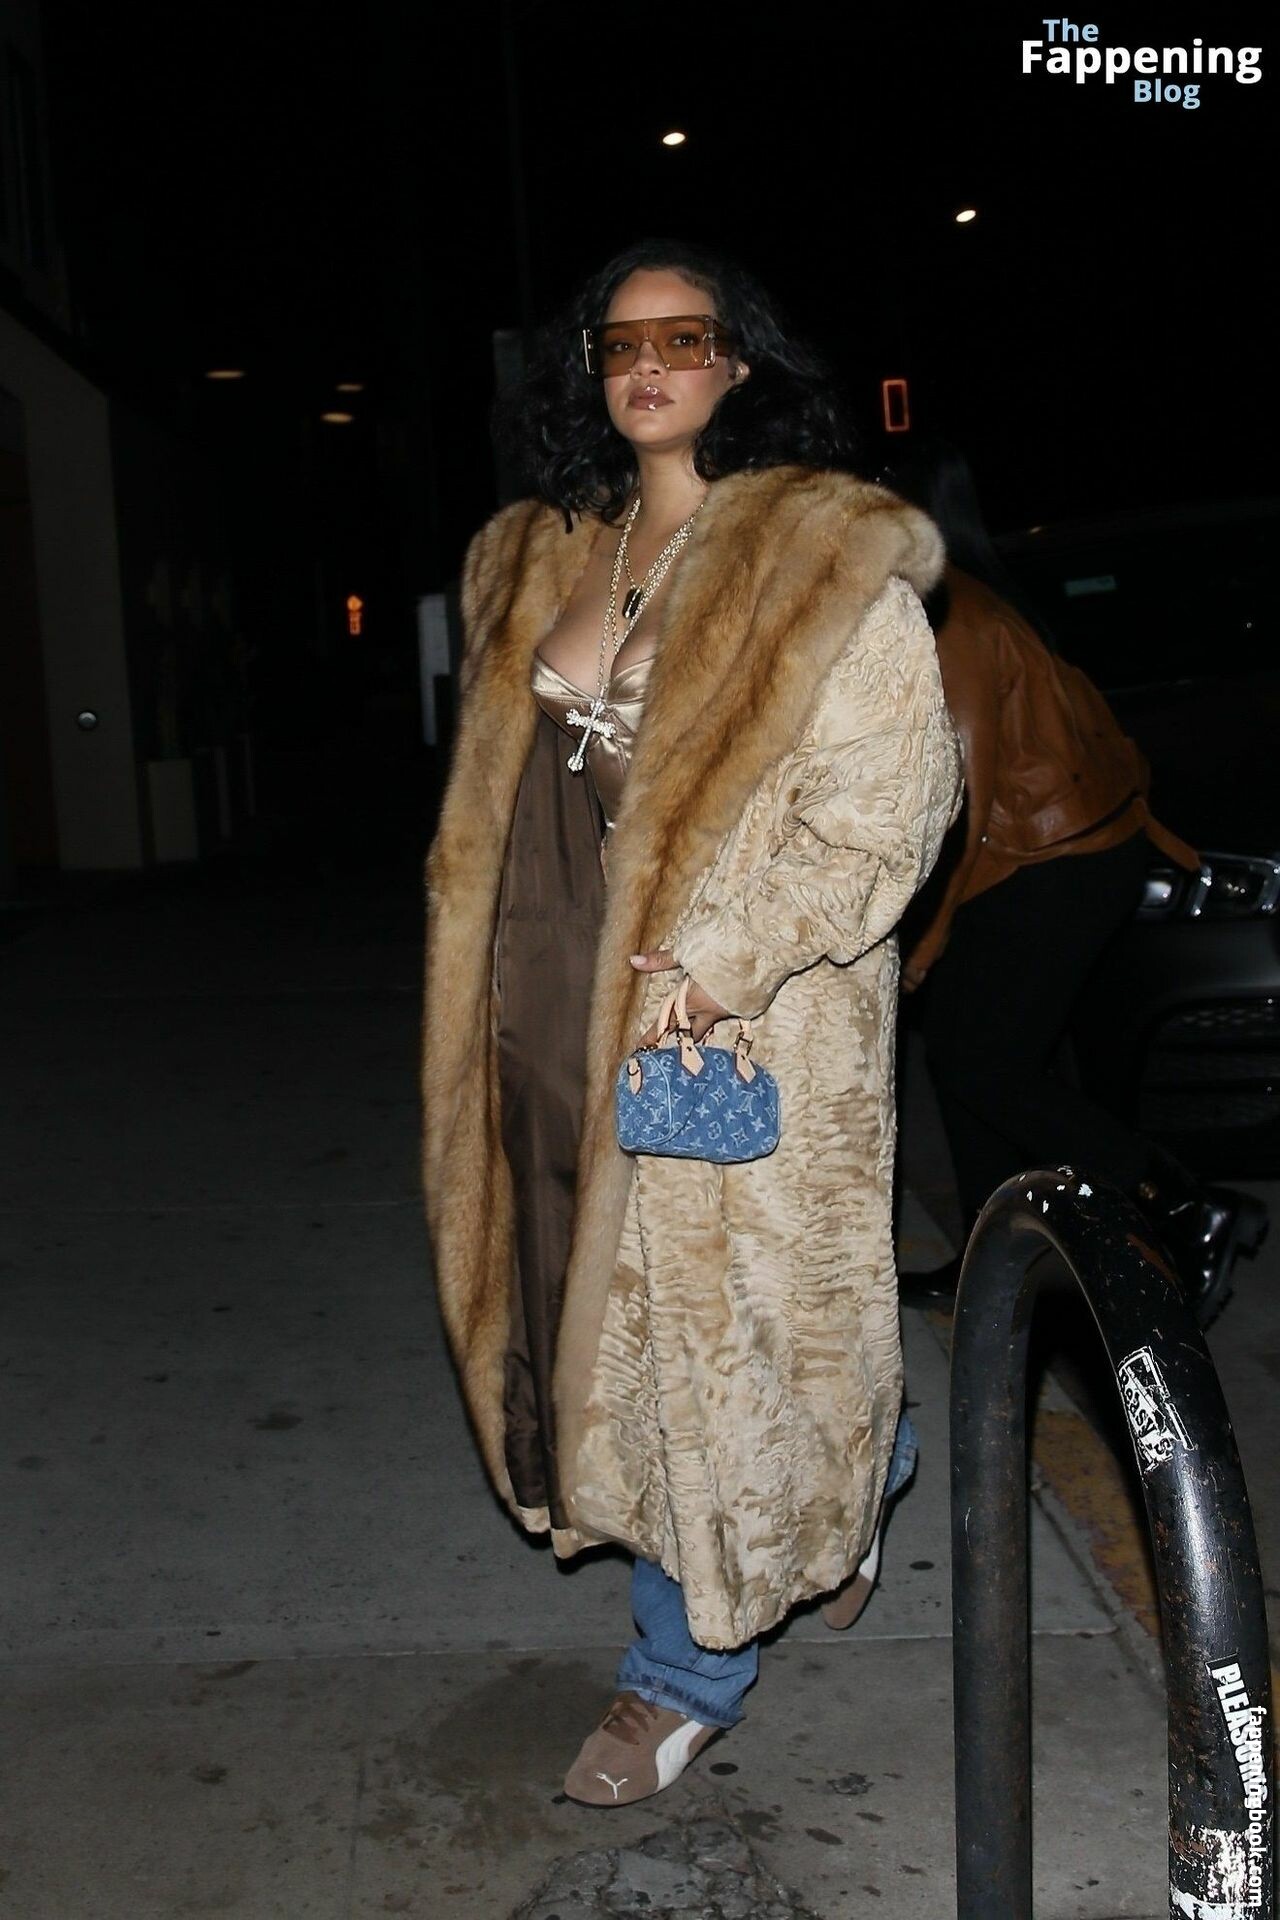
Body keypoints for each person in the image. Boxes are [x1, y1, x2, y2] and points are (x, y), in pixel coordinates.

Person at [422, 240, 961, 1806]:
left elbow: (892, 801)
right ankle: (865, 1463)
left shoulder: (817, 550)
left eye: (683, 337)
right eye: (619, 343)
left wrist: (732, 957)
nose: (647, 365)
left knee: (708, 1356)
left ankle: (682, 1670)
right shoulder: (542, 552)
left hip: (737, 1017)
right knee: (602, 1330)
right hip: (553, 1011)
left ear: (739, 361)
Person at [891, 440, 1267, 1324]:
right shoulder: (972, 595)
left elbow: (960, 796)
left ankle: (1181, 1203)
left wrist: (926, 940)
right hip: (1057, 858)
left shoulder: (954, 616)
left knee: (986, 1065)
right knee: (972, 1060)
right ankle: (995, 1260)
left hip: (1045, 865)